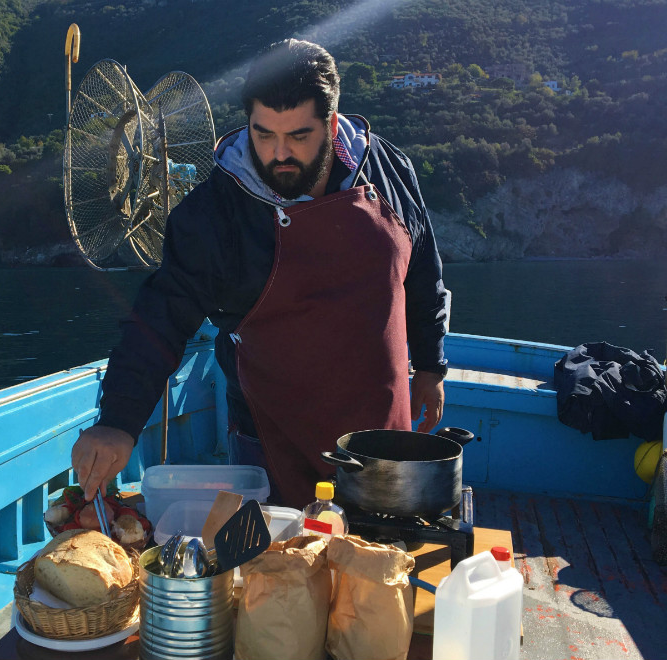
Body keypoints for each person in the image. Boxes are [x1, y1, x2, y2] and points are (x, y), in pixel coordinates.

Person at [72, 39, 448, 508]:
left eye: (299, 136)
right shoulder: (213, 215)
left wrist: (430, 366)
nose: (279, 153)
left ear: (332, 125)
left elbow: (423, 274)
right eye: (263, 134)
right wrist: (119, 422)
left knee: (378, 550)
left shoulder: (390, 170)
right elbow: (160, 318)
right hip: (271, 437)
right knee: (275, 553)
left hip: (381, 434)